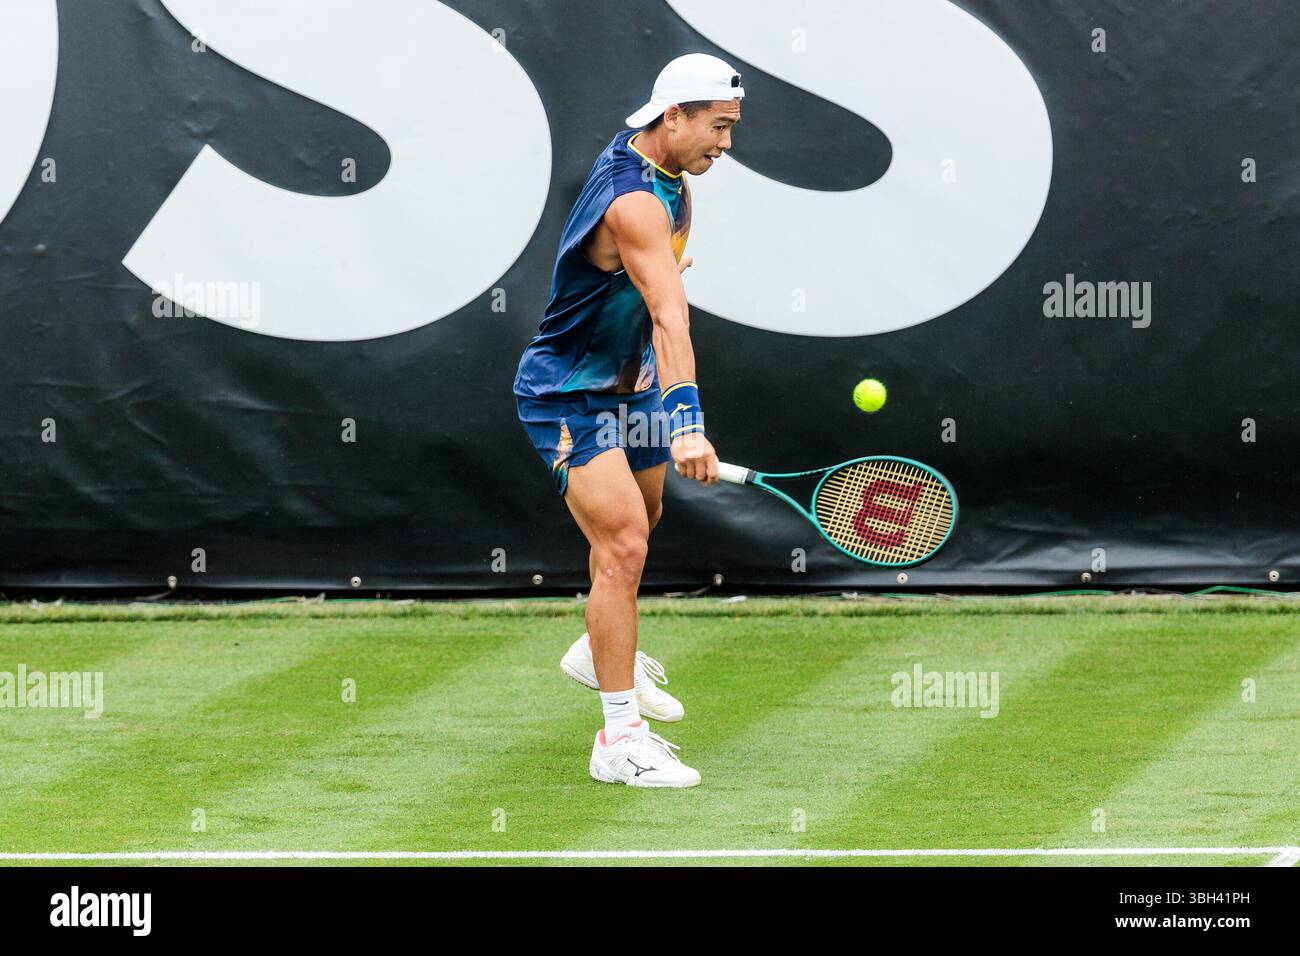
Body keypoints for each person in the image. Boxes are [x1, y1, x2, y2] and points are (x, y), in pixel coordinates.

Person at [513, 54, 744, 787]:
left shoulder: (671, 180)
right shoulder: (635, 199)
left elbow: (658, 291)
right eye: (718, 127)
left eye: (732, 129)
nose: (726, 144)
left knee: (640, 527)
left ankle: (595, 648)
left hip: (630, 384)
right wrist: (688, 423)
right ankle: (619, 741)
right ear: (671, 116)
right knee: (621, 544)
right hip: (568, 395)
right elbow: (670, 314)